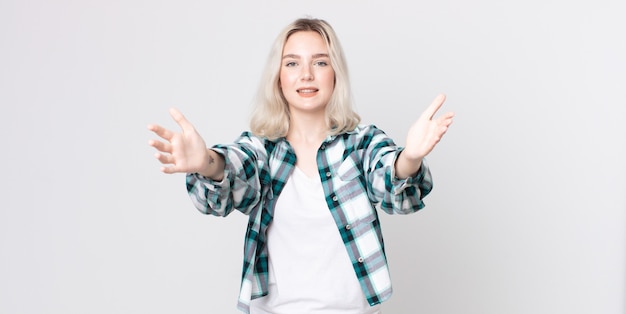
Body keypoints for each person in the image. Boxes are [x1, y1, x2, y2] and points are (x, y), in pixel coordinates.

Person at [148, 17, 454, 314]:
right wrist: (208, 164)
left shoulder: (361, 143)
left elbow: (394, 189)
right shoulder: (262, 150)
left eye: (320, 62)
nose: (306, 74)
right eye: (292, 63)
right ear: (278, 78)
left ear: (335, 73)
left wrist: (410, 158)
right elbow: (232, 176)